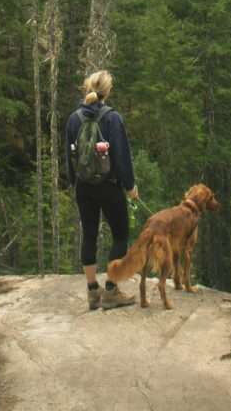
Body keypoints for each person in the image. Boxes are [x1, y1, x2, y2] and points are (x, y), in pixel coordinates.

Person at [66, 70, 139, 310]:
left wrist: (73, 182)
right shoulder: (112, 118)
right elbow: (121, 155)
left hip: (84, 187)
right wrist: (129, 186)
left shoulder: (74, 119)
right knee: (120, 236)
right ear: (107, 91)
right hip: (109, 186)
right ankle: (111, 290)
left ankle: (92, 291)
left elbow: (69, 155)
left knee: (89, 235)